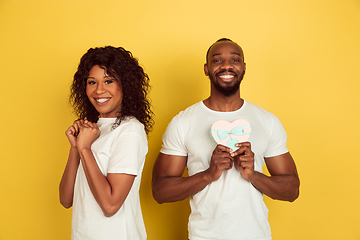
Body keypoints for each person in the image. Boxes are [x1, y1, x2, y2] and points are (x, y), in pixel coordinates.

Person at [152, 38, 300, 240]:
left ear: (244, 68)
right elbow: (160, 192)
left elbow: (291, 190)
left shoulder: (267, 121)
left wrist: (253, 175)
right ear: (206, 69)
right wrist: (208, 174)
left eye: (235, 60)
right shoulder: (182, 122)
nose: (227, 65)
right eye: (217, 60)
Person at [59, 46, 154, 240]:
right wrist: (76, 147)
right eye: (92, 82)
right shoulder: (93, 129)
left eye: (108, 81)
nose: (99, 90)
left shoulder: (130, 131)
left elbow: (110, 205)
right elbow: (66, 199)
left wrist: (85, 148)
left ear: (125, 85)